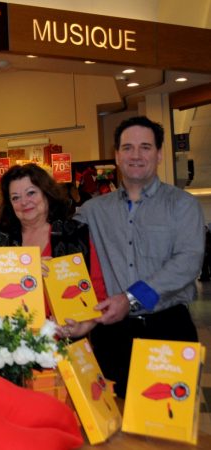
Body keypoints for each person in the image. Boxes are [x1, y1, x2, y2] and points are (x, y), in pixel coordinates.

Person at [72, 115, 205, 398]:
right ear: (117, 156)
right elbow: (54, 233)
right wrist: (1, 229)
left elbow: (187, 262)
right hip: (112, 335)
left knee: (166, 428)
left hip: (168, 328)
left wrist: (130, 299)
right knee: (113, 425)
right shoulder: (92, 211)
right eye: (127, 148)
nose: (136, 155)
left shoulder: (183, 205)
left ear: (158, 154)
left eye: (145, 147)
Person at [0, 163, 107, 319]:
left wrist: (84, 325)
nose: (24, 202)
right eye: (16, 197)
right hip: (13, 339)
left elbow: (98, 294)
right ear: (10, 205)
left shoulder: (75, 235)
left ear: (47, 194)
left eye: (31, 193)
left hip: (65, 340)